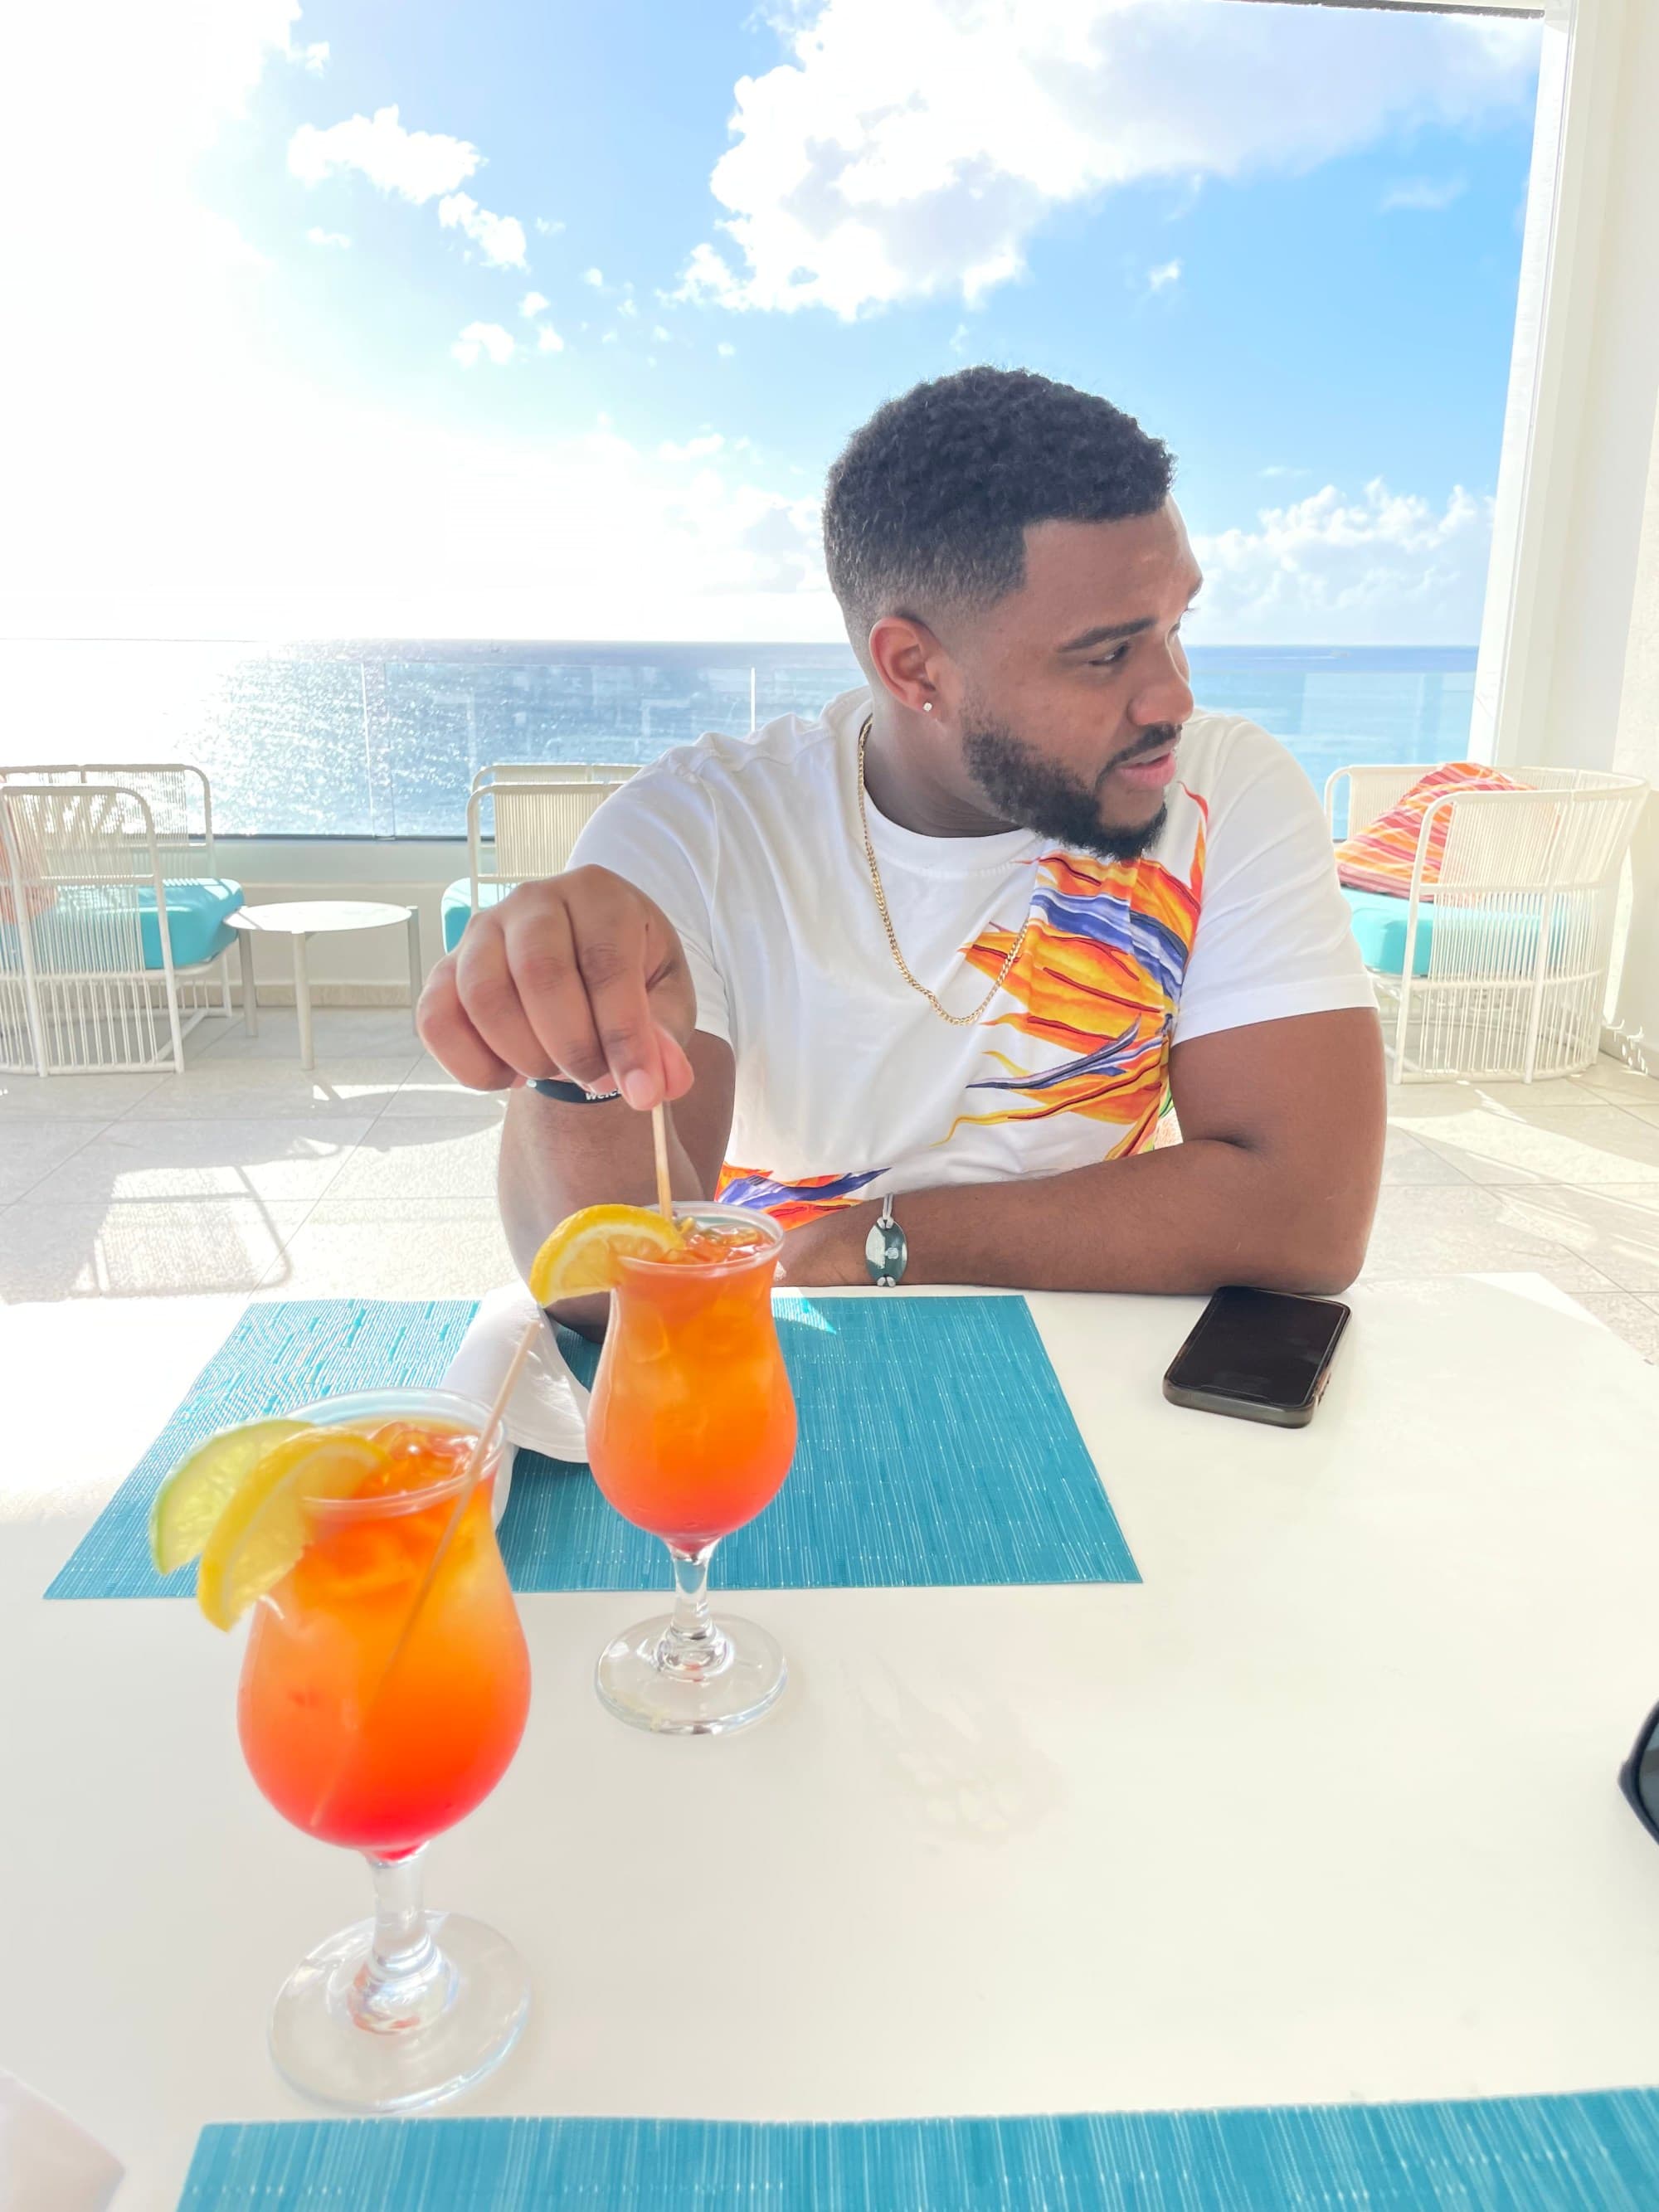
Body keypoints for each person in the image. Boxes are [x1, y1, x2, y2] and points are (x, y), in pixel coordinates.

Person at [419, 367, 1384, 1325]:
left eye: (1177, 627)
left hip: (1090, 1363)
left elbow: (1303, 1218)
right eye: (1106, 654)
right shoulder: (699, 830)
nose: (1172, 695)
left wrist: (877, 1238)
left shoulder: (1222, 789)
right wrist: (580, 1061)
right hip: (789, 1362)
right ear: (912, 666)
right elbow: (601, 1288)